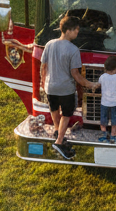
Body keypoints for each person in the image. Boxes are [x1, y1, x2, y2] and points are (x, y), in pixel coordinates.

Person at [40, 13, 102, 157]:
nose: (77, 32)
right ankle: (59, 142)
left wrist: (44, 83)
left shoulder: (49, 44)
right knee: (66, 115)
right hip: (65, 89)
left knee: (54, 110)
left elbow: (43, 67)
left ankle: (57, 132)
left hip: (50, 87)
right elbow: (75, 74)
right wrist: (90, 84)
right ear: (68, 30)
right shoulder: (73, 50)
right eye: (76, 30)